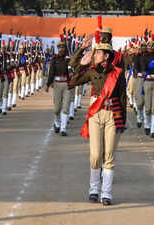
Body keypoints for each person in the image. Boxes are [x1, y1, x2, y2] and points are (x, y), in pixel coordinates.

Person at [69, 42, 126, 206]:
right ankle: (94, 189)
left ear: (106, 56)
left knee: (109, 155)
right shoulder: (92, 71)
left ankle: (106, 193)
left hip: (113, 114)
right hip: (95, 114)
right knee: (95, 155)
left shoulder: (117, 73)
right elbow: (73, 81)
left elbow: (122, 97)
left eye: (97, 53)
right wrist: (81, 63)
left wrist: (122, 121)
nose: (94, 55)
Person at [45, 40, 70, 136]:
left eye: (63, 47)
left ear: (65, 49)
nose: (61, 49)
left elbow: (72, 72)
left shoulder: (68, 59)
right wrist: (48, 84)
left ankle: (63, 128)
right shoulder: (54, 59)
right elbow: (51, 72)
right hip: (57, 84)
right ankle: (57, 122)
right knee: (56, 108)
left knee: (65, 107)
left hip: (67, 84)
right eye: (59, 47)